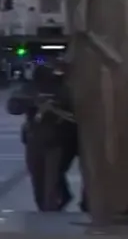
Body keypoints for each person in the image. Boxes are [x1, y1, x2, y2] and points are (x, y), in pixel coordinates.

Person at [7, 64, 81, 212]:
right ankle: (46, 206)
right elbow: (13, 107)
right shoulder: (30, 88)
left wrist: (57, 106)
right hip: (35, 139)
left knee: (51, 179)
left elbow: (75, 109)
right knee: (38, 177)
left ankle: (50, 209)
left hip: (57, 141)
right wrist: (31, 102)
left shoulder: (63, 89)